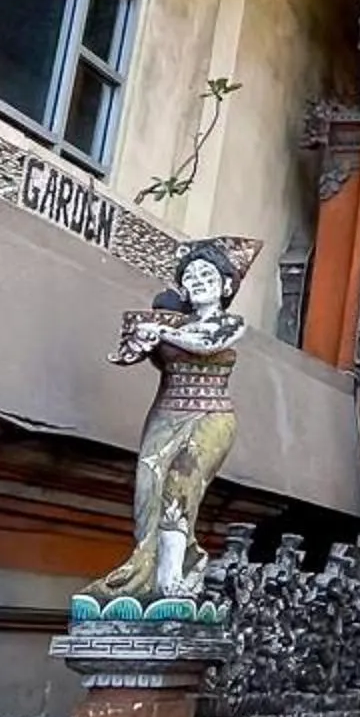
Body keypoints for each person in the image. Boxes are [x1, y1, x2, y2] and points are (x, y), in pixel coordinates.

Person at [88, 239, 252, 603]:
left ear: (226, 285)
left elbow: (208, 343)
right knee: (148, 487)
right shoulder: (169, 320)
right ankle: (143, 573)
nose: (198, 281)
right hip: (166, 413)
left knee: (181, 480)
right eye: (190, 275)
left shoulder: (229, 323)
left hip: (210, 415)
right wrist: (140, 338)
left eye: (207, 274)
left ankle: (170, 580)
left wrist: (161, 332)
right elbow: (133, 354)